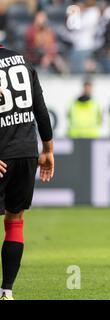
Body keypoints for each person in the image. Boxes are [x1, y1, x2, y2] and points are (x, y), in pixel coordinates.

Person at [0, 44, 54, 300]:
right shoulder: (22, 61)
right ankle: (7, 290)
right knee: (15, 220)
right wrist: (48, 150)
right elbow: (40, 110)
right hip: (26, 153)